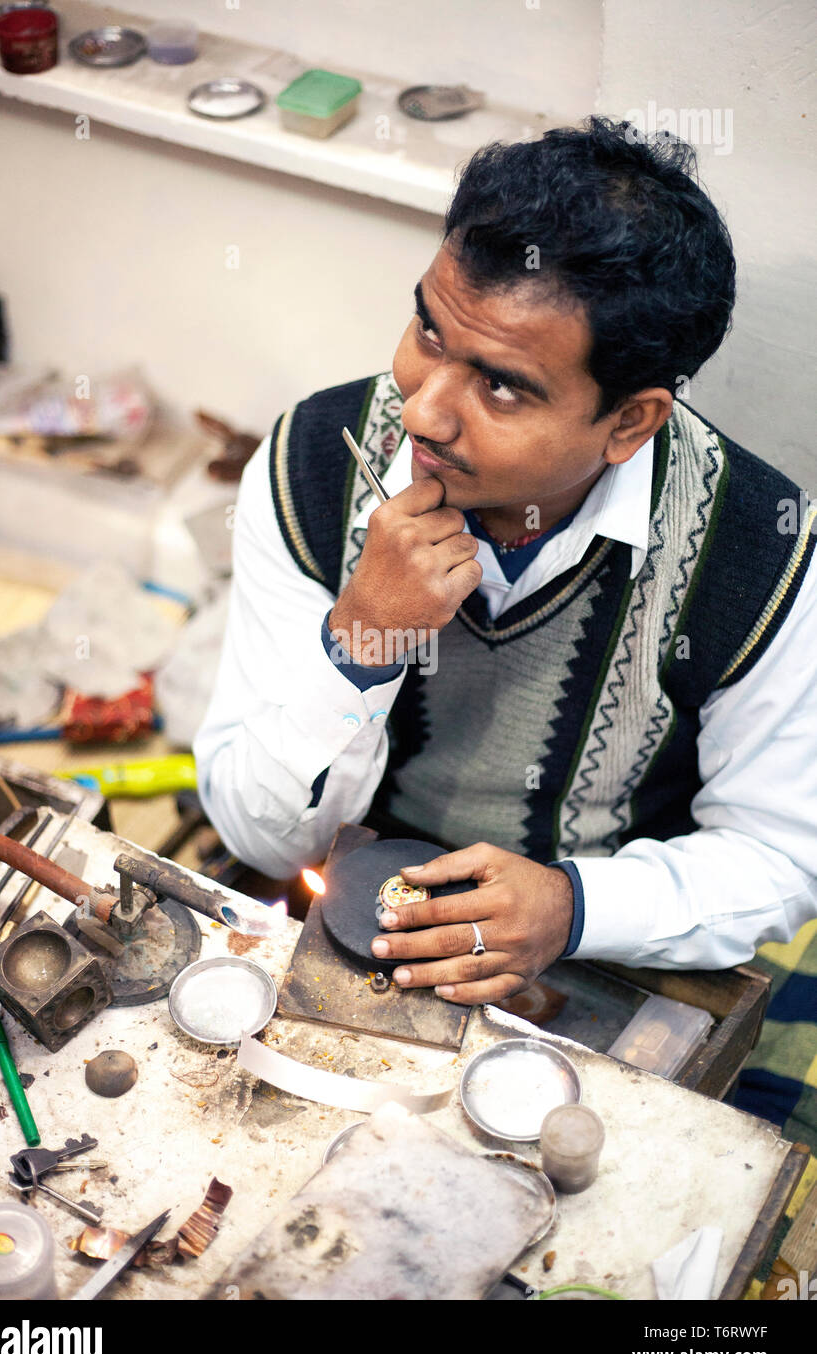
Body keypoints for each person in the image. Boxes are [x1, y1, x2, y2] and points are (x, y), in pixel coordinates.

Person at [194, 117, 817, 1006]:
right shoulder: (311, 467)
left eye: (500, 385)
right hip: (343, 902)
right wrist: (362, 641)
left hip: (593, 948)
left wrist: (571, 906)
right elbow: (264, 842)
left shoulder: (763, 552)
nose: (423, 415)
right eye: (429, 331)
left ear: (630, 423)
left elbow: (778, 855)